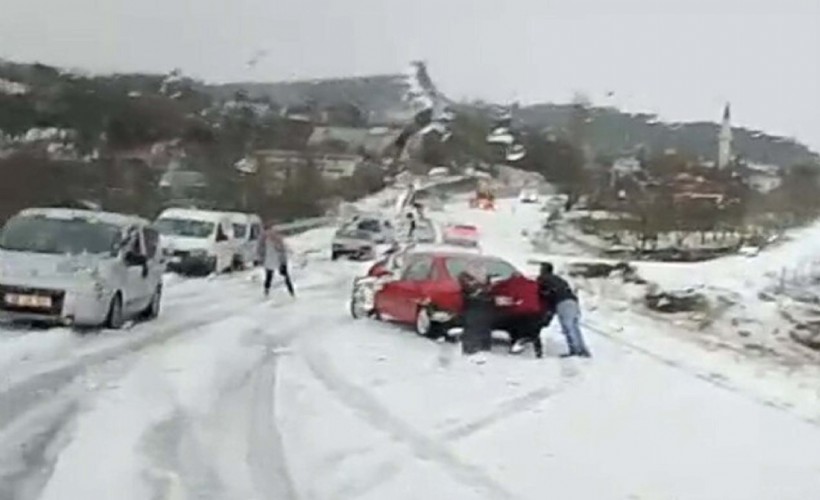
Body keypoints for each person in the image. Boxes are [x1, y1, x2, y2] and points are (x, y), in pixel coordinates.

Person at [537, 262, 590, 358]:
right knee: (574, 327)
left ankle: (576, 351)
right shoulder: (559, 279)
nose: (540, 271)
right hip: (572, 301)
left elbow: (544, 295)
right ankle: (582, 349)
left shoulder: (543, 279)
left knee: (568, 327)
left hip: (562, 302)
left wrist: (546, 311)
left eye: (541, 269)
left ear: (544, 270)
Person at [458, 269, 494, 360]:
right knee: (474, 325)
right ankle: (473, 348)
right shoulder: (468, 287)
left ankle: (480, 347)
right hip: (474, 309)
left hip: (478, 309)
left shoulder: (480, 286)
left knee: (480, 324)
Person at [258, 225, 295, 298]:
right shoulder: (264, 239)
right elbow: (260, 250)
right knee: (270, 277)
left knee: (282, 276)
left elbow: (283, 249)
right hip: (271, 260)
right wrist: (261, 259)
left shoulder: (275, 238)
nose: (269, 233)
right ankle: (266, 293)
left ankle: (291, 293)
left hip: (277, 260)